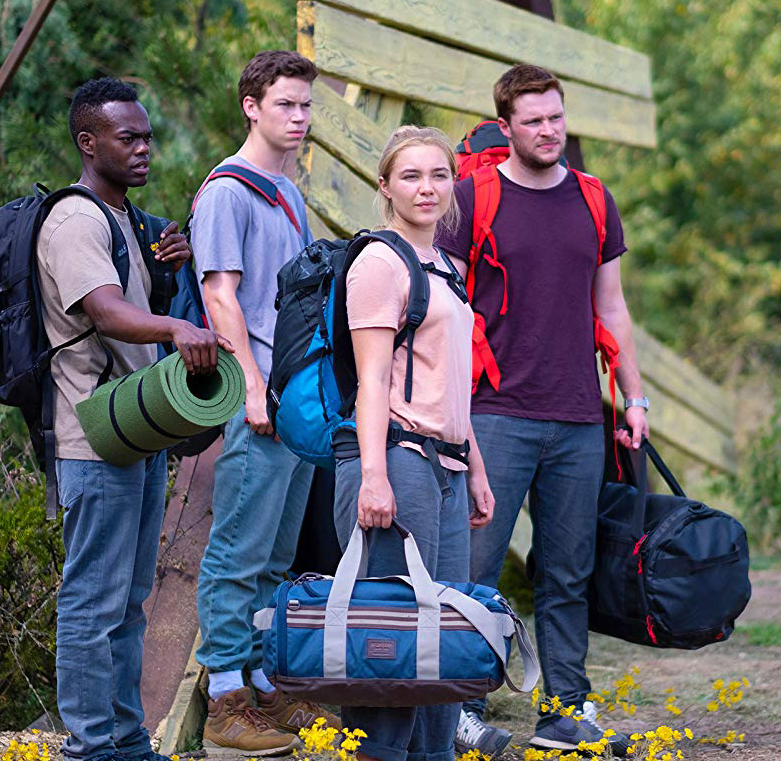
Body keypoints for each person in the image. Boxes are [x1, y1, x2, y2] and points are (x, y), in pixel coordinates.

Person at [437, 64, 650, 756]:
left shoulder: (594, 199)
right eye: (533, 120)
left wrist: (634, 397)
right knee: (475, 570)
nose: (549, 131)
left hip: (580, 415)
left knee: (567, 571)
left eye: (556, 118)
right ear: (506, 125)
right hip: (494, 411)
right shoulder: (473, 198)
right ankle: (457, 711)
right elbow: (443, 308)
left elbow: (611, 306)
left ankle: (566, 711)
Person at [38, 77, 231, 761]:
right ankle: (92, 745)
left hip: (138, 434)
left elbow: (135, 320)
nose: (144, 148)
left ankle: (124, 739)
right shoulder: (76, 220)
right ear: (89, 143)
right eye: (129, 137)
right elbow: (107, 312)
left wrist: (170, 273)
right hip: (91, 437)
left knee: (129, 600)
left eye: (147, 136)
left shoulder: (126, 220)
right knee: (94, 599)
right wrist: (180, 326)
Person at [334, 126, 497, 761]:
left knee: (445, 638)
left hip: (449, 466)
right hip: (399, 460)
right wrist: (373, 475)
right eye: (410, 176)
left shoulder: (447, 269)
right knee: (393, 638)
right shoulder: (380, 262)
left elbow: (454, 382)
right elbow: (372, 377)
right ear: (385, 187)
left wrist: (475, 468)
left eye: (437, 175)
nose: (427, 188)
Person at [192, 50, 338, 753]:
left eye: (307, 106)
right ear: (252, 105)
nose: (300, 118)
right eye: (286, 105)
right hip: (257, 398)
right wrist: (251, 385)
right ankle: (224, 701)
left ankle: (262, 683)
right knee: (238, 553)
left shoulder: (289, 193)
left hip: (295, 403)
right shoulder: (227, 191)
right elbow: (221, 295)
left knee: (278, 556)